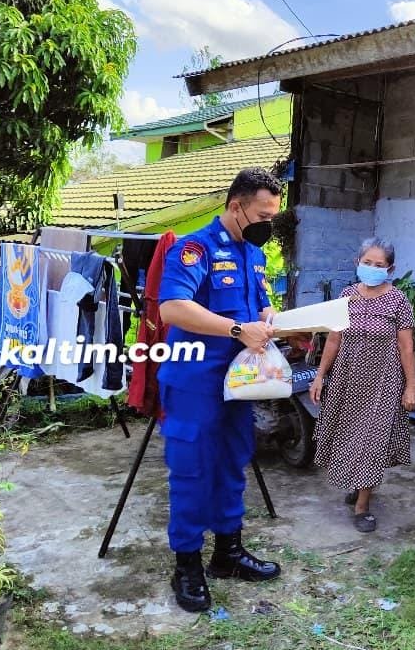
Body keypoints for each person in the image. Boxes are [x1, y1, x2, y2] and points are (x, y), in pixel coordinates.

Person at [157, 167, 284, 613]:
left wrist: (270, 318)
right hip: (194, 380)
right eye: (264, 213)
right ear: (236, 206)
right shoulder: (196, 247)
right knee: (192, 471)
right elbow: (172, 307)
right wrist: (236, 329)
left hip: (239, 381)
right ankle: (186, 564)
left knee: (233, 463)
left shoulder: (253, 252)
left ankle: (227, 554)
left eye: (275, 214)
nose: (270, 222)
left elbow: (260, 302)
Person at [308, 237, 415, 533]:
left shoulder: (398, 301)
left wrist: (411, 386)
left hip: (384, 381)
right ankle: (359, 485)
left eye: (379, 265)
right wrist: (319, 375)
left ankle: (362, 506)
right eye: (367, 262)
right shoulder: (346, 296)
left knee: (372, 440)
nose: (372, 268)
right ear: (358, 263)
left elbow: (406, 347)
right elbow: (333, 339)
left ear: (390, 268)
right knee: (348, 436)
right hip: (347, 379)